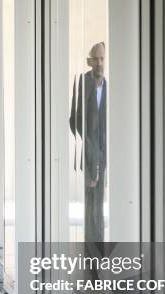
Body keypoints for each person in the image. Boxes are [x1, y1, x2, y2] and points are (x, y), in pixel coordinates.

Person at [70, 42, 107, 243]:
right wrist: (90, 146)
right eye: (96, 58)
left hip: (104, 153)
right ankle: (91, 245)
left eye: (103, 58)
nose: (100, 63)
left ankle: (97, 247)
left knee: (98, 205)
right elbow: (74, 119)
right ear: (89, 61)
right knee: (90, 203)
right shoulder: (84, 82)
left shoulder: (109, 85)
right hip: (88, 152)